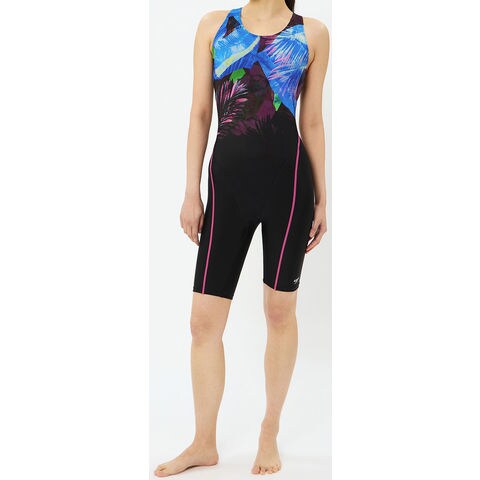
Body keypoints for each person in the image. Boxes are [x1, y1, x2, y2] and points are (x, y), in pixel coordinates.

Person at [155, 0, 329, 476]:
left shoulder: (312, 33)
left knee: (280, 312)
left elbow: (311, 121)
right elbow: (199, 114)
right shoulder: (215, 26)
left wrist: (323, 199)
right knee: (203, 323)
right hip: (226, 188)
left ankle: (269, 432)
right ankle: (203, 443)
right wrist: (190, 191)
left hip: (288, 187)